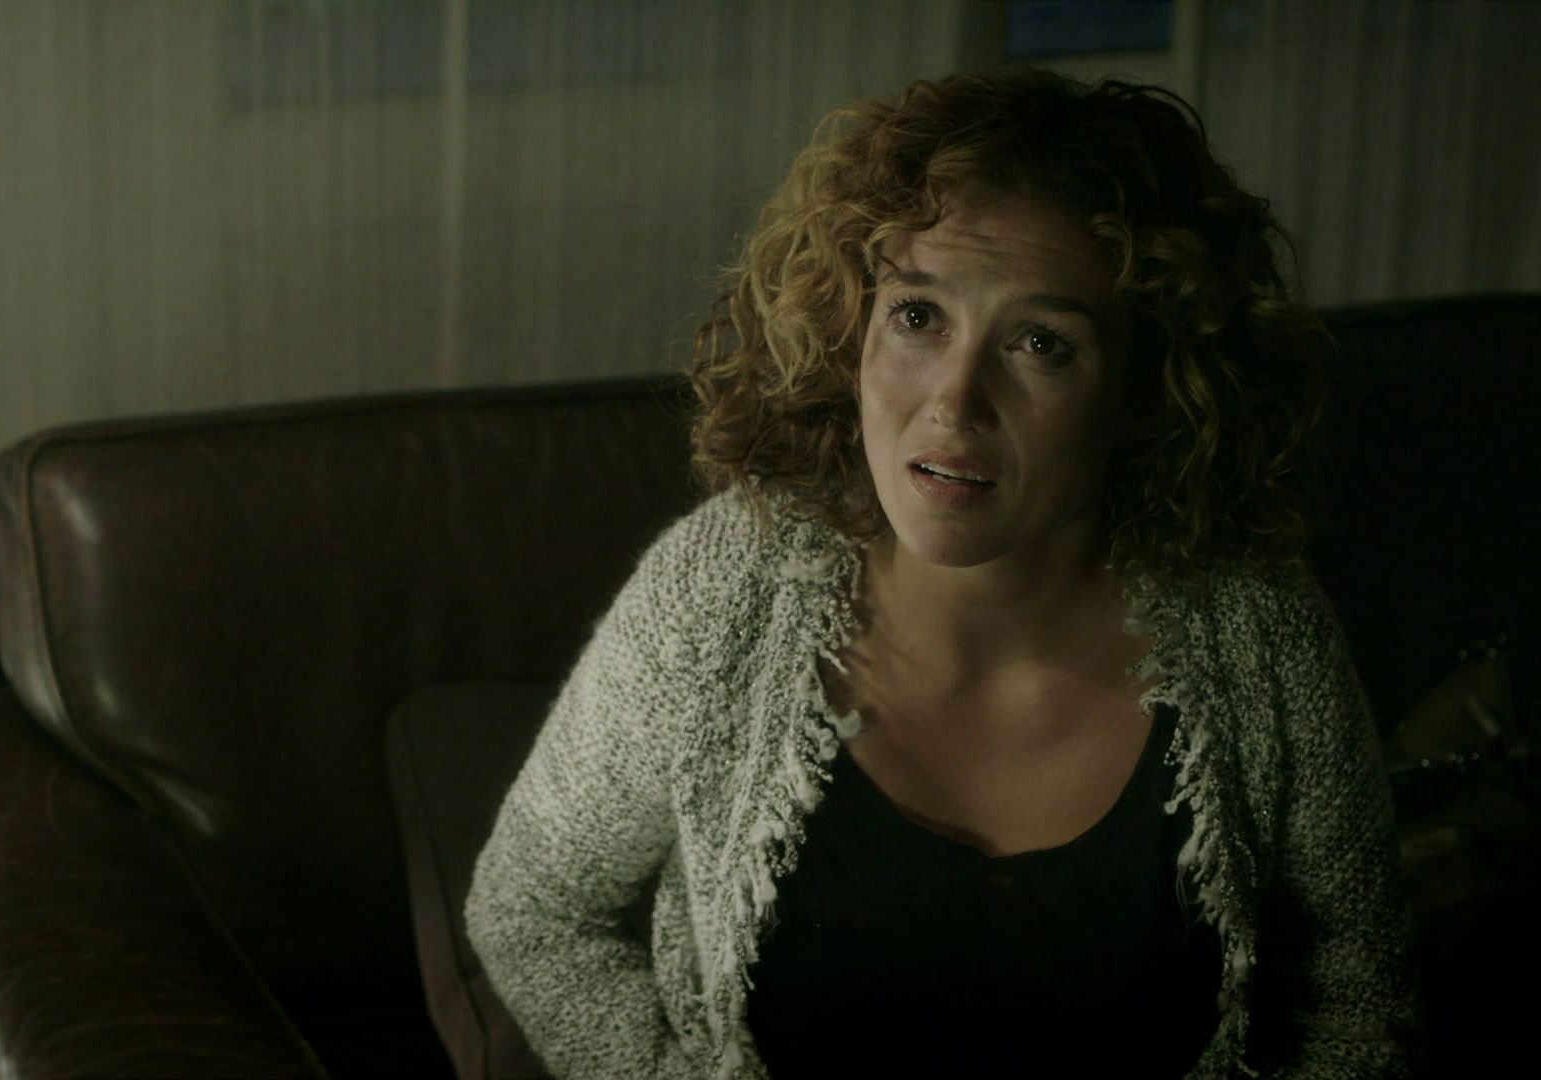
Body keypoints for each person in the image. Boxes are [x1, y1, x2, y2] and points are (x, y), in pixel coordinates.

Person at [464, 63, 1425, 1079]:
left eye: (1043, 343)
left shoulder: (1258, 626)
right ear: (853, 327)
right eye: (919, 317)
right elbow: (532, 909)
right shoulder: (722, 588)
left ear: (1150, 391)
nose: (955, 403)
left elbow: (1360, 995)